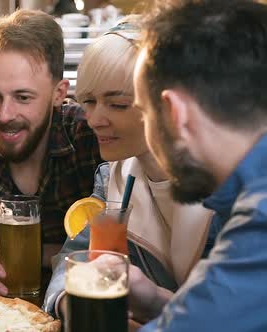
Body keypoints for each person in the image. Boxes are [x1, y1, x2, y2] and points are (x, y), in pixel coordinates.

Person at [42, 16, 217, 320]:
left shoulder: (231, 187)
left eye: (118, 104)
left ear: (167, 104)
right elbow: (74, 258)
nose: (95, 120)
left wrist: (154, 302)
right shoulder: (112, 177)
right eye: (89, 102)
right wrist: (71, 305)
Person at [129, 0, 267, 330]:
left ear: (176, 115)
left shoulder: (260, 217)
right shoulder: (241, 197)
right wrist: (157, 303)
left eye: (143, 113)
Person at [0, 9, 101, 295]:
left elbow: (110, 251)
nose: (5, 115)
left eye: (23, 97)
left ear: (59, 93)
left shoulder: (89, 138)